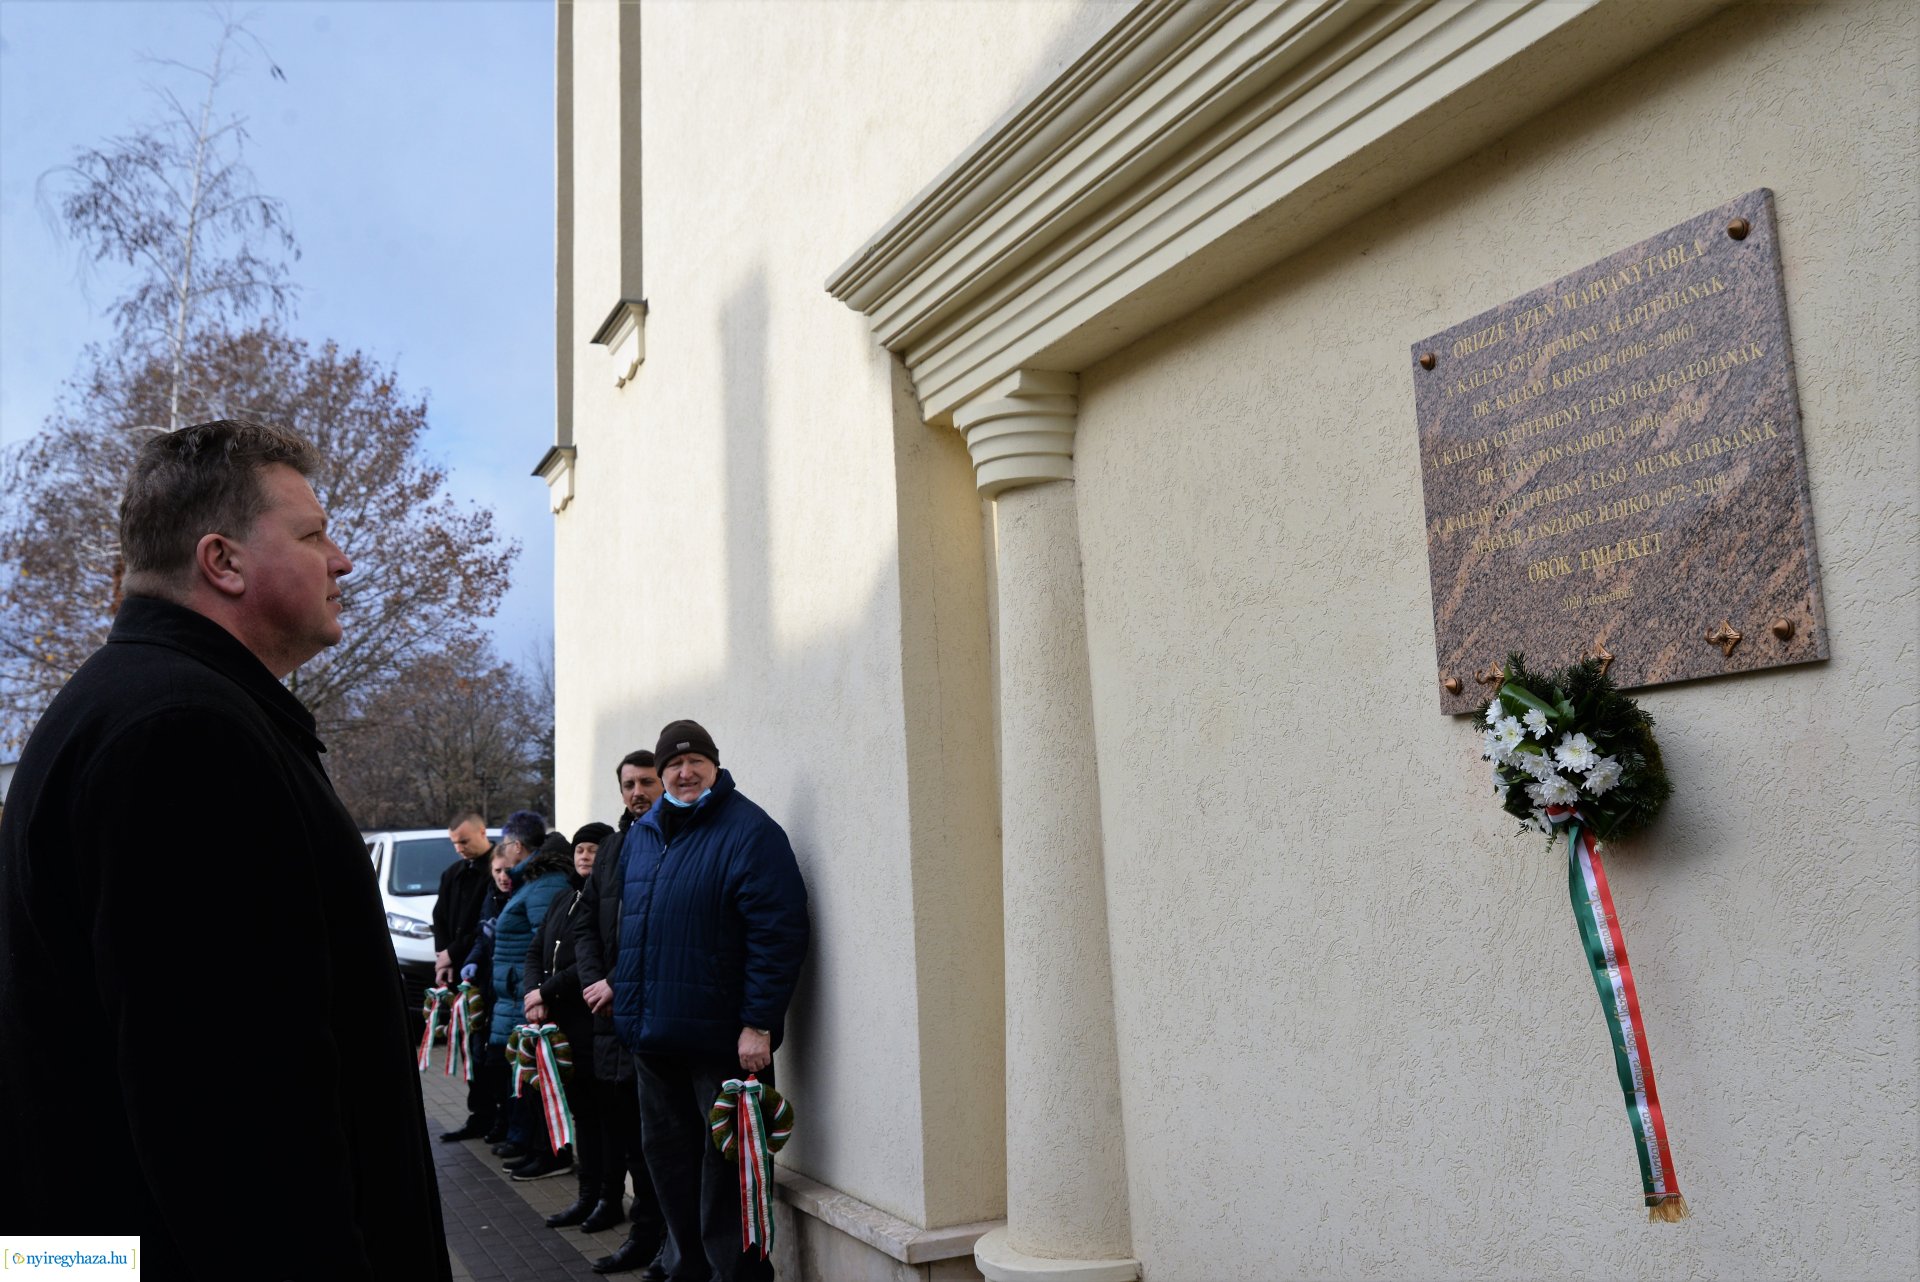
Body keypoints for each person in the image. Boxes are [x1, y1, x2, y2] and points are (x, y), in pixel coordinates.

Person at [0, 418, 450, 1277]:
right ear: (224, 562)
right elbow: (233, 1122)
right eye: (314, 534)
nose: (343, 560)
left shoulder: (134, 708)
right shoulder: (182, 738)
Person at [612, 721, 809, 1282]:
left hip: (723, 1043)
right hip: (655, 1039)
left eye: (696, 760)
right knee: (669, 1166)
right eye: (673, 763)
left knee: (730, 1176)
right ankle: (687, 1270)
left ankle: (739, 1278)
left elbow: (780, 932)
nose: (684, 771)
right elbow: (634, 930)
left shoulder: (750, 831)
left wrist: (759, 1024)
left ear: (715, 766)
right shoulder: (645, 833)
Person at [574, 750, 671, 1276]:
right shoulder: (611, 849)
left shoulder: (674, 840)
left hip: (653, 1014)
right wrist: (594, 981)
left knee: (662, 1144)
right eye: (628, 784)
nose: (637, 792)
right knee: (633, 1140)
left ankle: (668, 1243)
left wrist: (620, 982)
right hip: (610, 1018)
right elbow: (586, 923)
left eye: (646, 782)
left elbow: (664, 930)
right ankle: (644, 1233)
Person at [525, 821, 614, 1226]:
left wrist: (548, 991)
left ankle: (608, 1201)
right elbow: (534, 950)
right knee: (581, 1114)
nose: (584, 855)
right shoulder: (562, 898)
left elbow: (589, 963)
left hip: (592, 1025)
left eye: (593, 849)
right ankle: (586, 1194)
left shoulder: (610, 901)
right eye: (579, 849)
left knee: (604, 1119)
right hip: (560, 1027)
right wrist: (533, 994)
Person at [493, 819, 577, 1181]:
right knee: (528, 1078)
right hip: (522, 994)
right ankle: (538, 1148)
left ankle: (551, 1153)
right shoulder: (534, 881)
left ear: (516, 845)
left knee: (540, 1079)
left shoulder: (545, 884)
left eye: (506, 844)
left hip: (531, 998)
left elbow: (547, 947)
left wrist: (538, 992)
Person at [435, 811, 499, 1142]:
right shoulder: (453, 874)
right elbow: (440, 917)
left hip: (484, 970)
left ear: (482, 832)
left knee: (486, 1046)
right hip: (459, 972)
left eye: (464, 840)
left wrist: (452, 952)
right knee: (469, 1046)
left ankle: (493, 1115)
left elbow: (482, 924)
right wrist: (442, 957)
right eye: (455, 842)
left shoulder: (495, 869)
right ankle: (480, 1114)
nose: (459, 847)